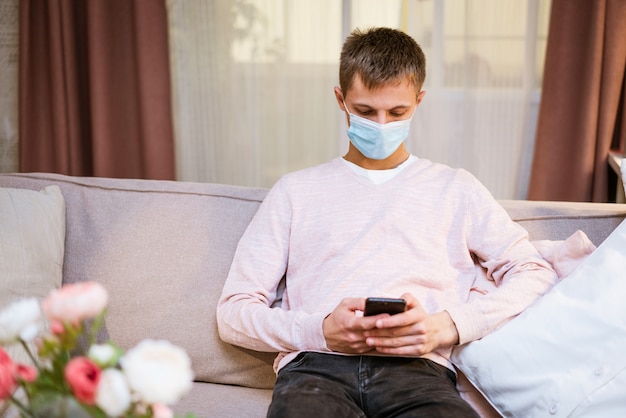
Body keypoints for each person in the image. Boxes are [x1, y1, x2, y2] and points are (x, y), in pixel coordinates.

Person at [217, 27, 557, 417]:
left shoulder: (456, 189)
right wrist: (321, 330)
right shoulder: (295, 192)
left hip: (420, 371)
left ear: (419, 101)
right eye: (365, 111)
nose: (381, 124)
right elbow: (233, 313)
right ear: (340, 99)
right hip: (314, 367)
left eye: (397, 112)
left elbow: (534, 272)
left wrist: (446, 327)